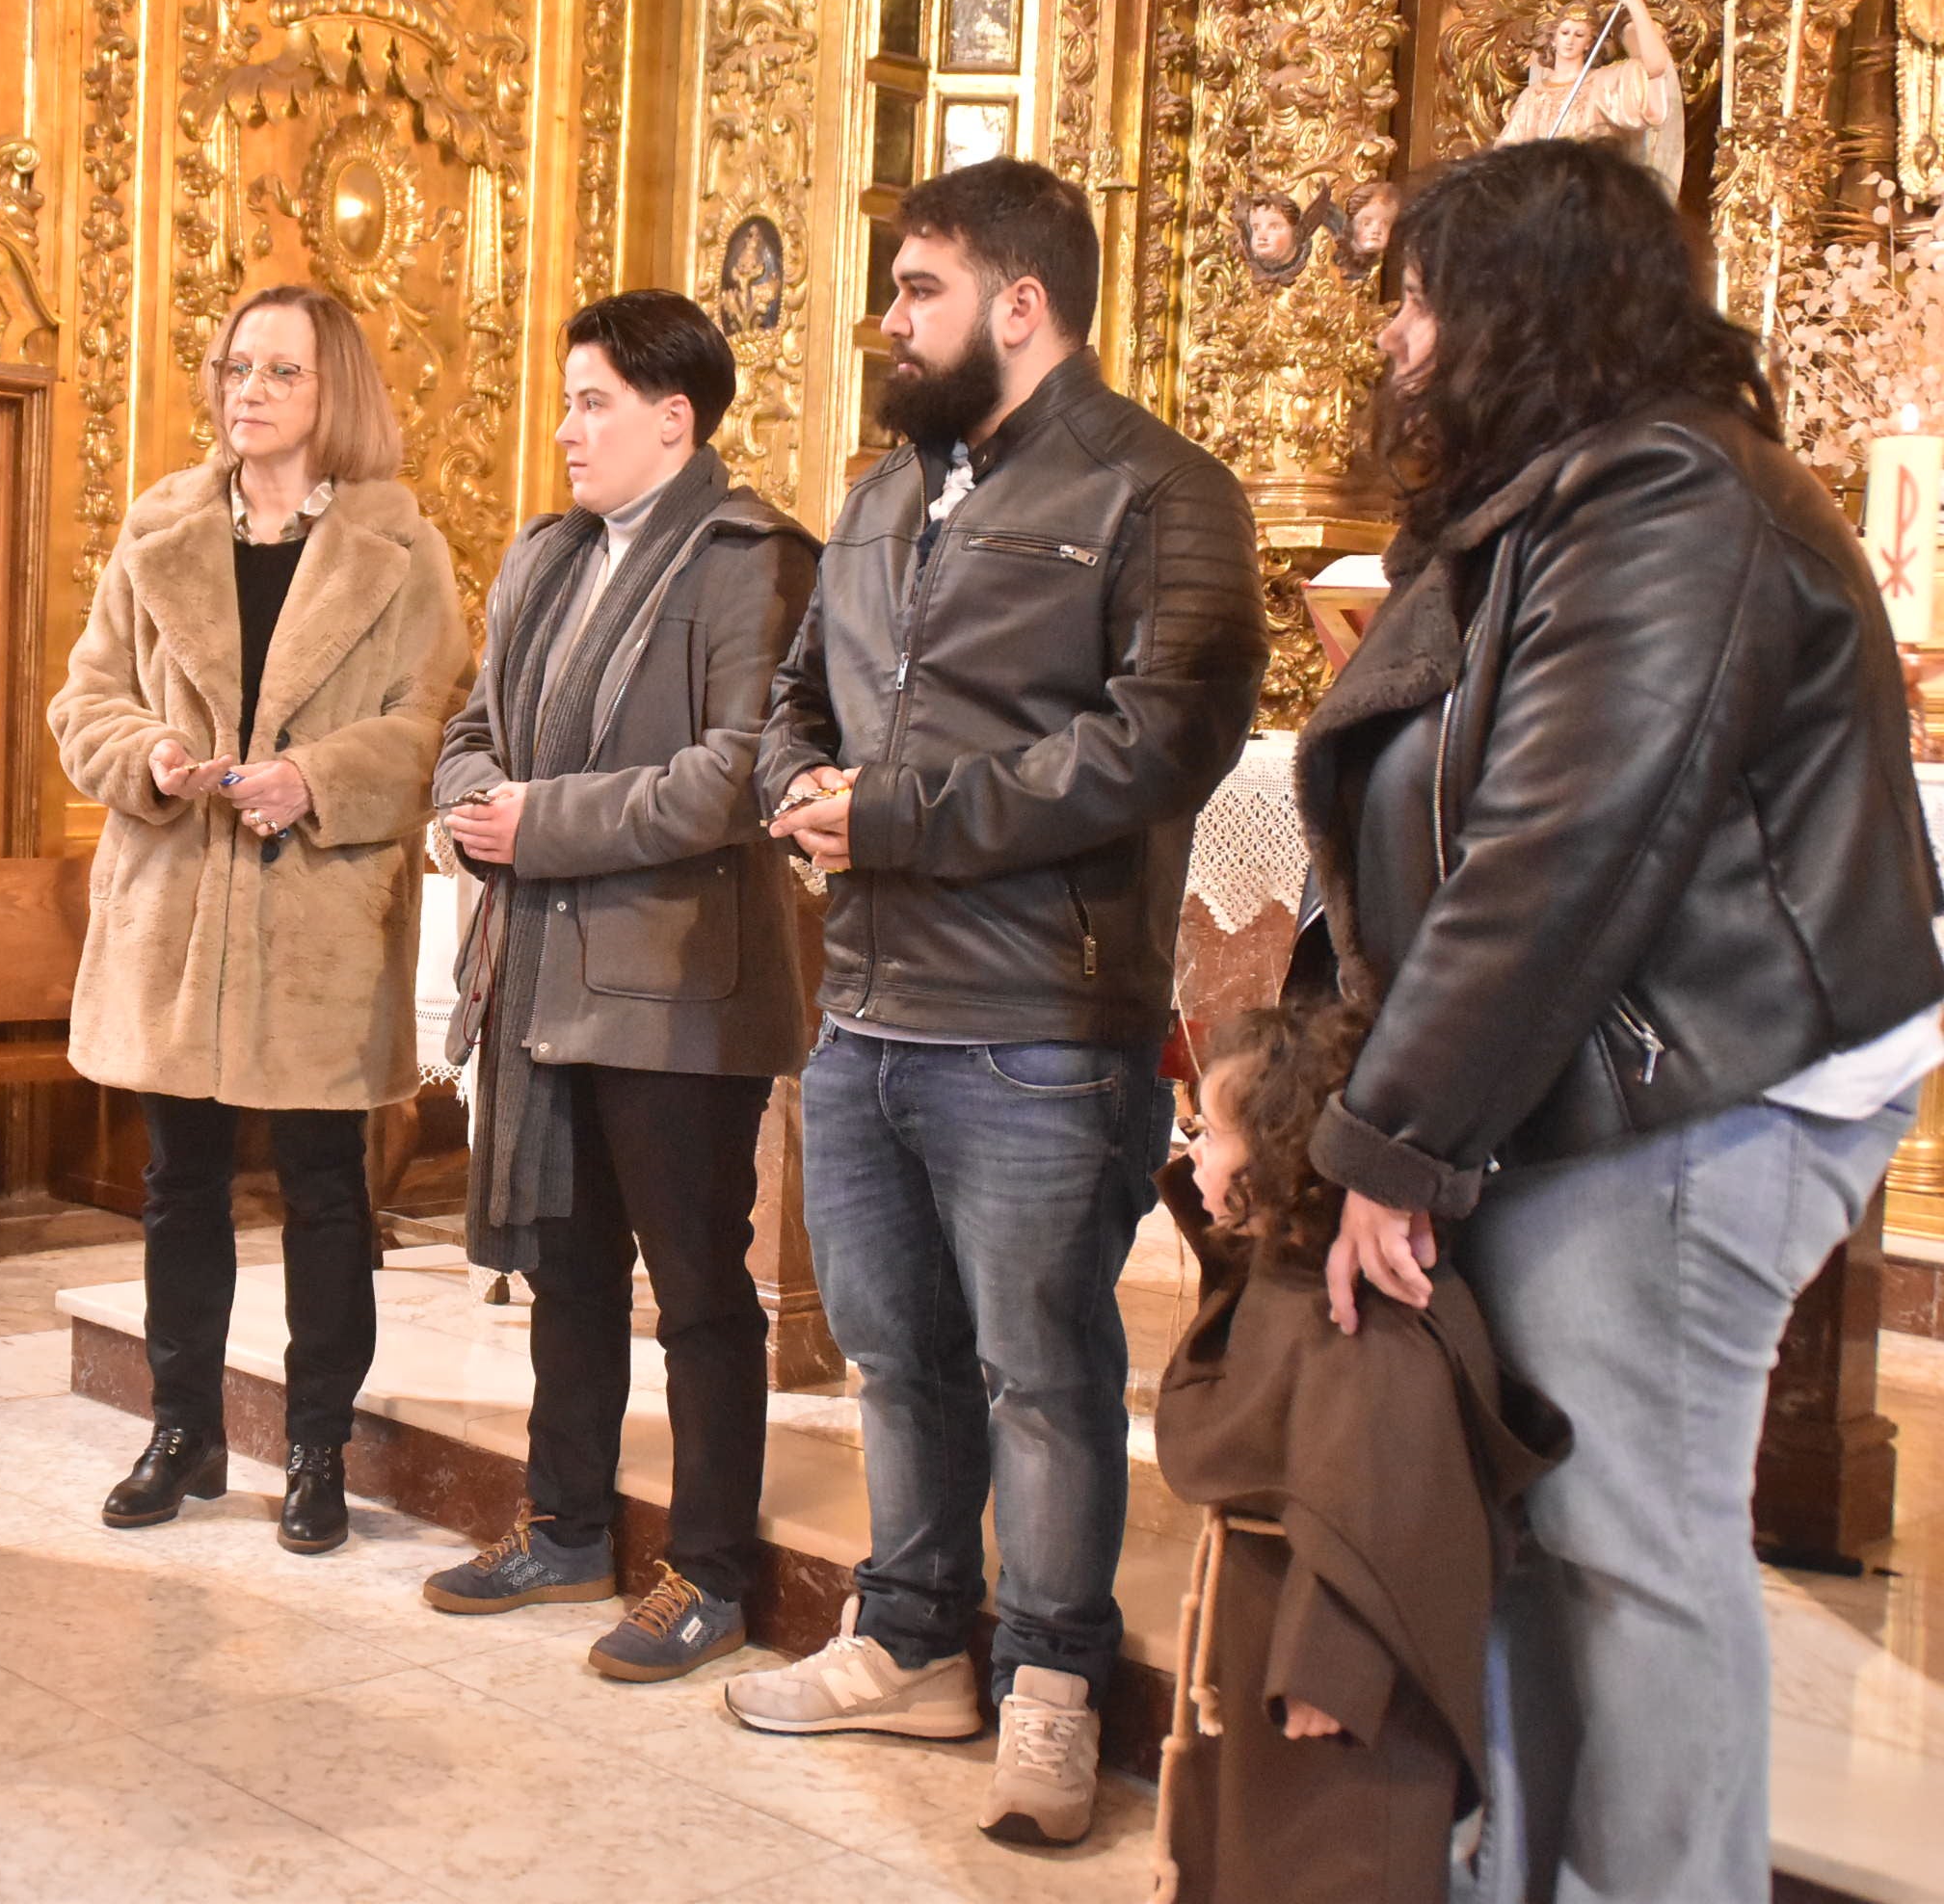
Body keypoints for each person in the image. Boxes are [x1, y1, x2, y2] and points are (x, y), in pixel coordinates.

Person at [1302, 139, 1943, 1904]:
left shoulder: (1671, 496)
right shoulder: (1567, 490)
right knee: (1543, 1530)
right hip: (1584, 1079)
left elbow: (1563, 852)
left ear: (1520, 307)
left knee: (1629, 1538)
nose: (1397, 342)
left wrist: (1394, 1147)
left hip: (1682, 1094)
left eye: (1423, 300)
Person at [727, 157, 1266, 1847]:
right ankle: (905, 1641)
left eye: (917, 289)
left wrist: (894, 816)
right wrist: (797, 781)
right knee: (895, 1359)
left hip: (1040, 1016)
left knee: (1041, 1370)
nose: (890, 321)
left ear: (1017, 305)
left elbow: (1160, 744)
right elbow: (792, 692)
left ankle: (1048, 1683)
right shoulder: (884, 496)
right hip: (867, 1005)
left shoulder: (1162, 494)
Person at [418, 291, 818, 1680]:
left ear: (675, 417)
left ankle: (708, 1569)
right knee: (569, 1273)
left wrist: (541, 825)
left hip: (678, 985)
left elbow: (732, 775)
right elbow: (470, 733)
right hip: (545, 977)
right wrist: (475, 804)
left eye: (594, 402)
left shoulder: (751, 558)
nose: (568, 428)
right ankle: (570, 1524)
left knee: (701, 1288)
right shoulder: (544, 555)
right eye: (567, 399)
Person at [50, 283, 469, 1556]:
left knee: (329, 1194)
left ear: (333, 390)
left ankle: (317, 1452)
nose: (250, 392)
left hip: (318, 920)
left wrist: (319, 780)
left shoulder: (406, 549)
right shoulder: (161, 527)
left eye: (281, 372)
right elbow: (86, 703)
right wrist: (154, 756)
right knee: (179, 1186)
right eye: (237, 367)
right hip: (176, 905)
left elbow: (429, 729)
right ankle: (183, 1432)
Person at [1146, 1000, 1568, 1904]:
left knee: (1337, 1860)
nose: (1194, 1155)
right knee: (1263, 1852)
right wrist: (1215, 1191)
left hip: (1342, 1689)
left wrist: (1334, 1665)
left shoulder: (1362, 1319)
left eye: (1208, 1135)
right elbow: (1236, 1290)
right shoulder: (1295, 1268)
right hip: (1272, 1630)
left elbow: (1385, 1486)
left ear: (1283, 1160)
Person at [1495, 0, 1683, 199]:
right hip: (1545, 201)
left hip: (1591, 199)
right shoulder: (1533, 96)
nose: (1570, 40)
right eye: (1564, 32)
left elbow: (1656, 67)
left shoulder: (1604, 83)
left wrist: (1635, 5)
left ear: (1589, 43)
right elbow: (1506, 156)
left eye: (1579, 34)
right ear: (1553, 38)